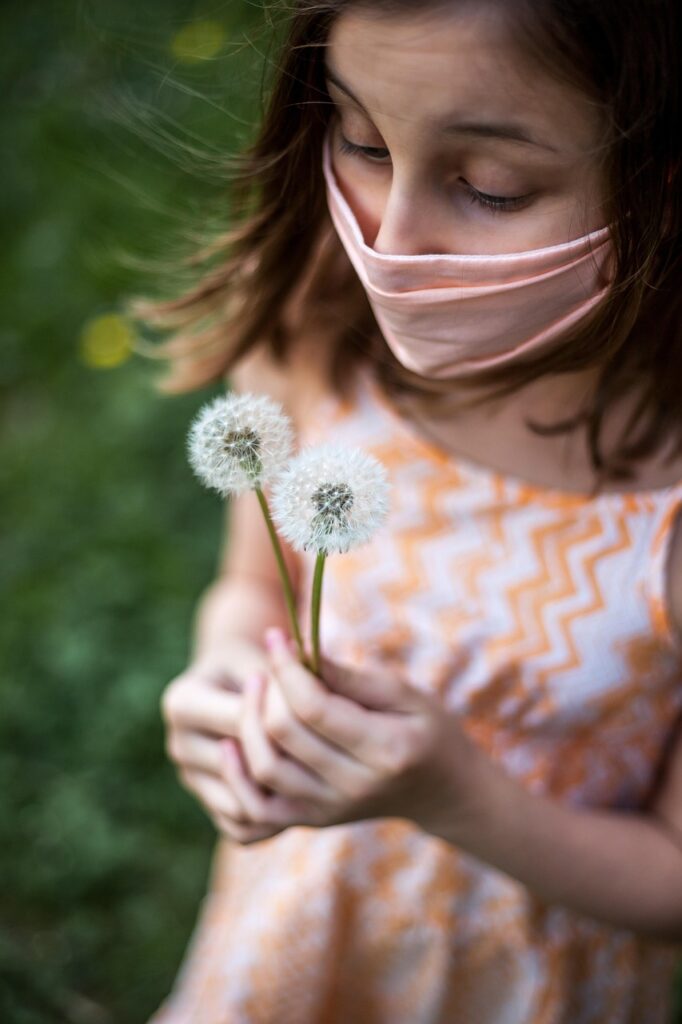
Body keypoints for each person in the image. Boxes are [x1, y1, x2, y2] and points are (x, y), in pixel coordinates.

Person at [135, 1, 682, 1021]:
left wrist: (454, 796)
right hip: (290, 936)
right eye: (360, 138)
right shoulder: (315, 317)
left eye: (489, 185)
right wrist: (227, 677)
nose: (391, 240)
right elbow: (255, 583)